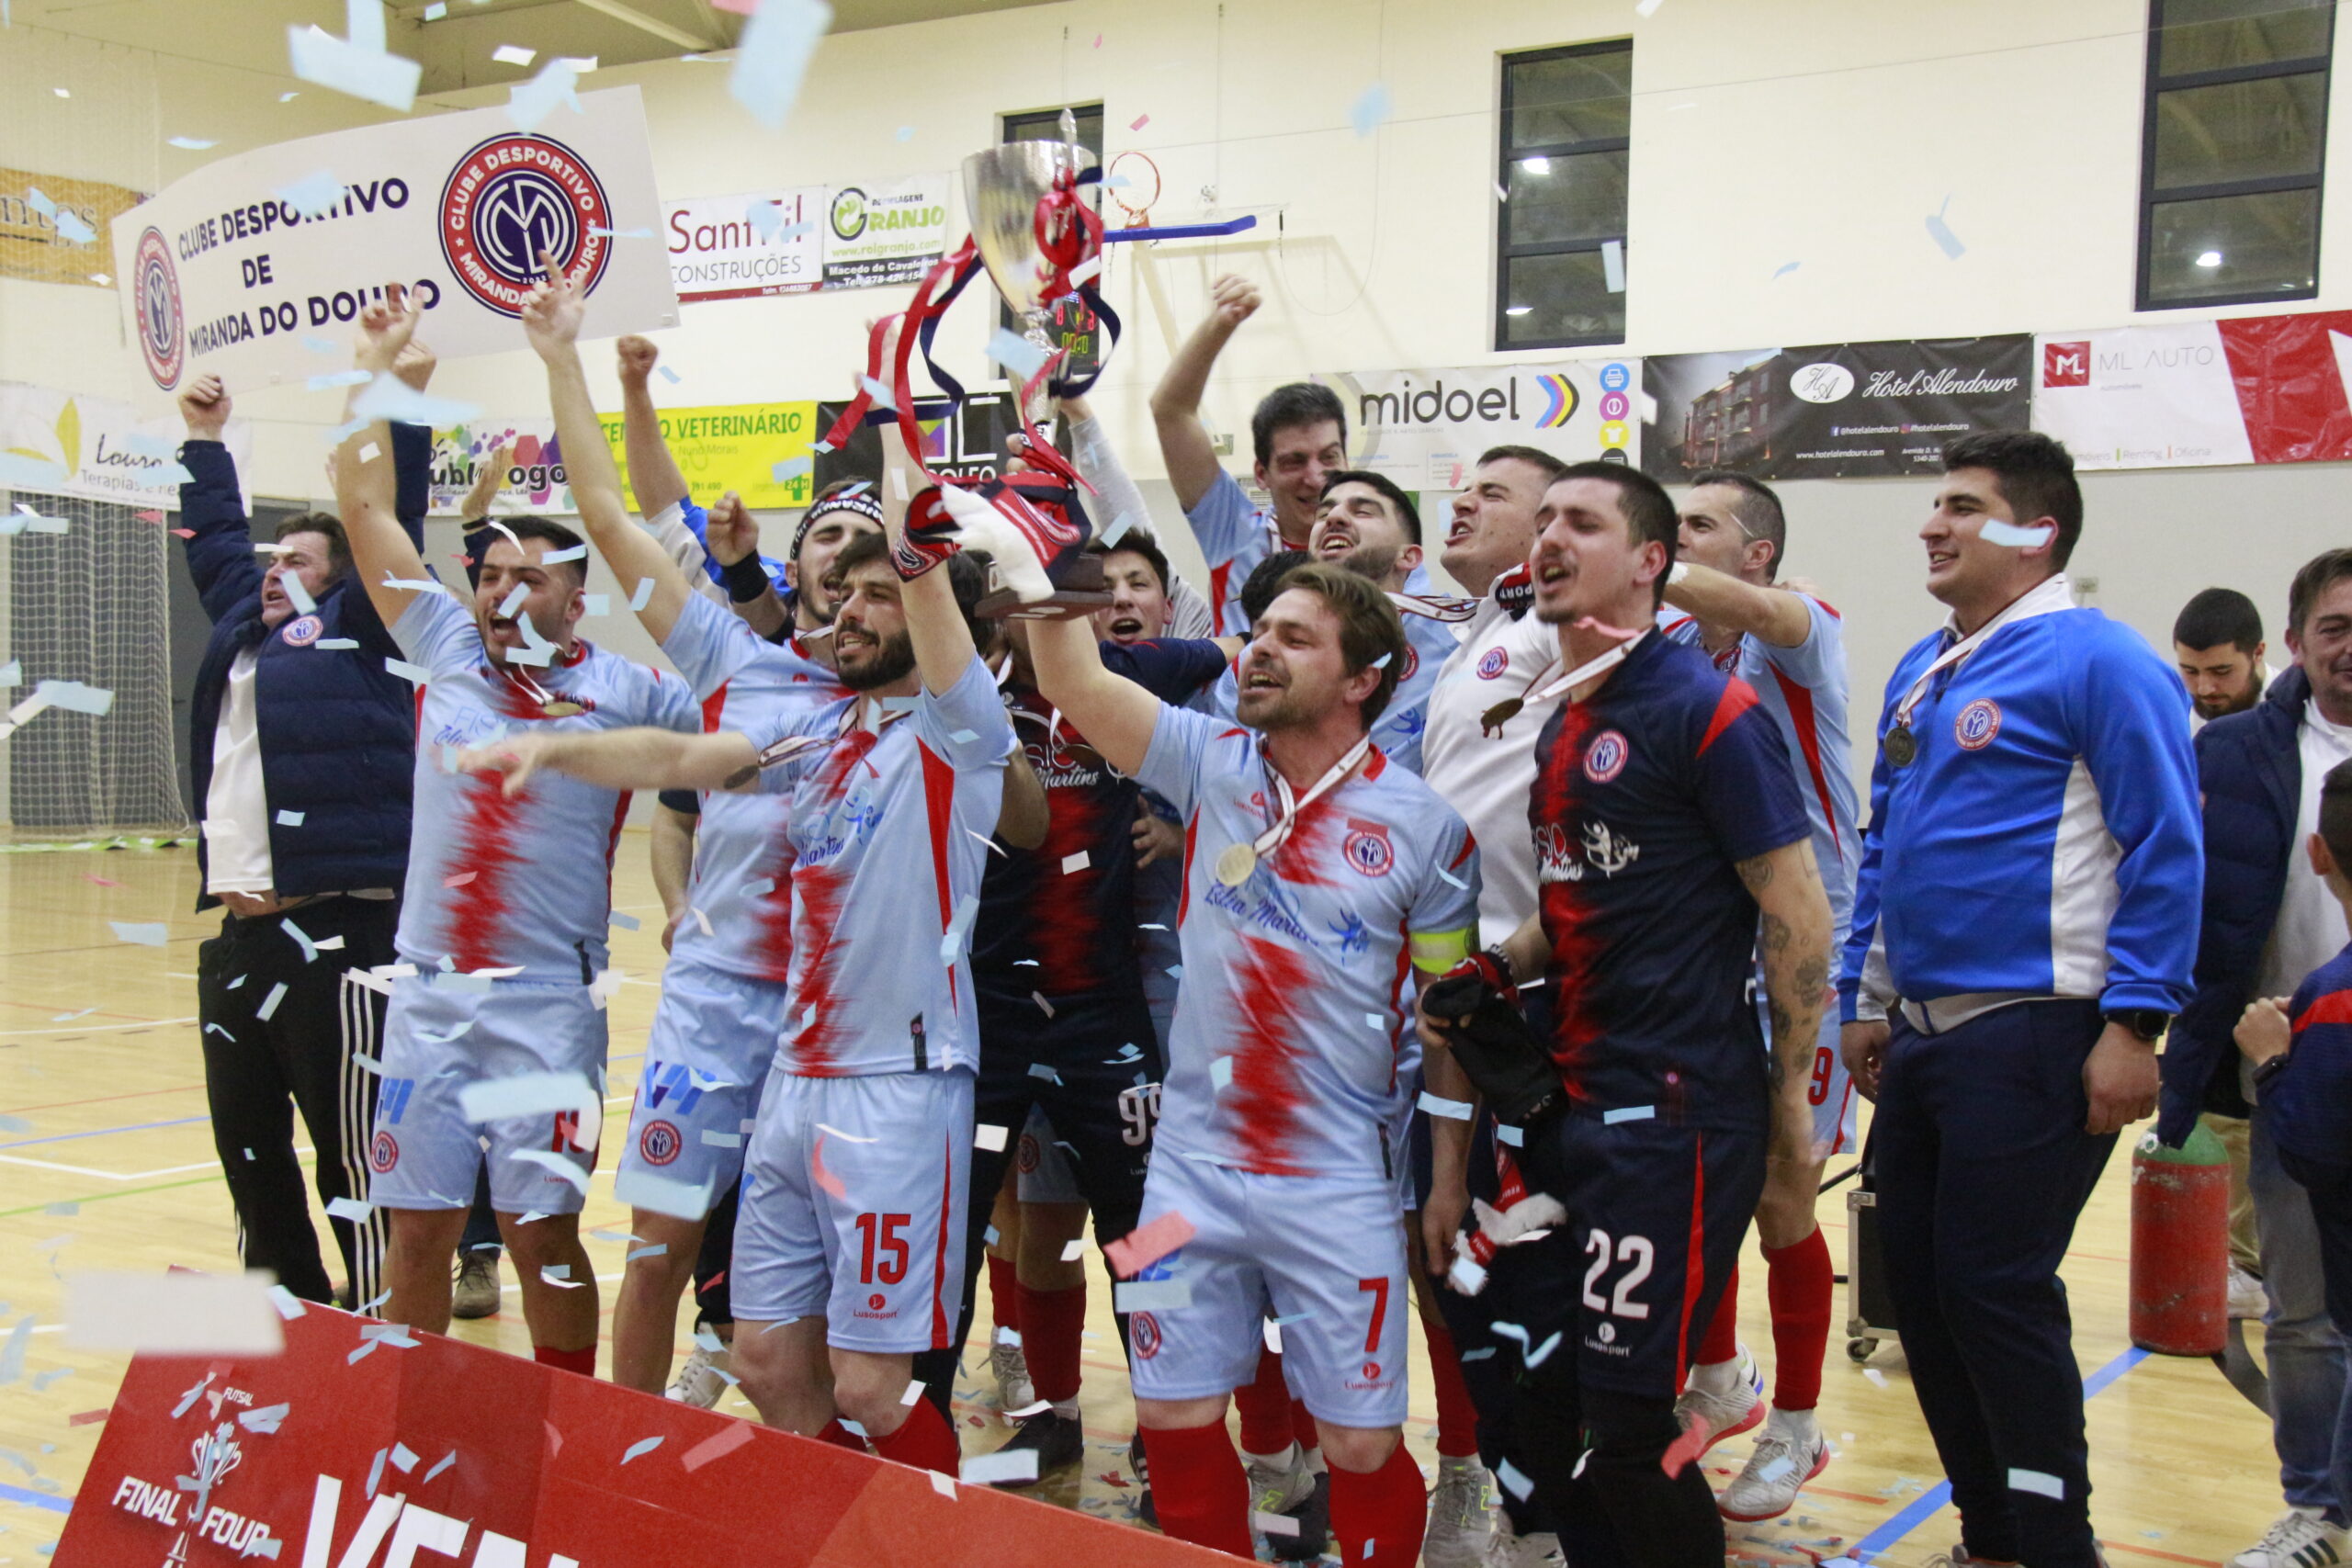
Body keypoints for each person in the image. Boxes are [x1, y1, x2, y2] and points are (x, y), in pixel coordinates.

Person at [456, 432, 1020, 1476]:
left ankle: (922, 1539)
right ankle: (837, 1532)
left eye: (876, 596)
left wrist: (897, 432)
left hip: (897, 1085)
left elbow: (927, 578)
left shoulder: (958, 733)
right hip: (792, 1079)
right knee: (763, 1357)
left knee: (869, 1385)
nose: (848, 610)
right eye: (840, 596)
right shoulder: (812, 732)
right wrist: (557, 750)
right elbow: (685, 759)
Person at [1419, 462, 1834, 1568]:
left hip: (1677, 1113)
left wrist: (1788, 1101)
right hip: (1571, 1106)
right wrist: (1490, 972)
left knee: (1629, 1431)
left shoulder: (1706, 705)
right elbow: (1576, 904)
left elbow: (1795, 915)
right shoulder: (1560, 723)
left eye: (1583, 523)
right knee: (1539, 1404)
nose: (1549, 537)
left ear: (1652, 563)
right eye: (1544, 519)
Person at [1028, 559, 1481, 1567]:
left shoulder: (1429, 830)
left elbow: (1449, 1023)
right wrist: (1050, 566)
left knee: (1361, 1441)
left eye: (1295, 638)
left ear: (1364, 677)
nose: (1261, 649)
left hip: (1337, 1180)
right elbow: (1069, 680)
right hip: (1184, 1177)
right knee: (1173, 1417)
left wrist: (1445, 1175)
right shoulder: (1209, 758)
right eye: (1259, 630)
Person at [1841, 432, 2202, 1568]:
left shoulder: (2102, 660)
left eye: (1961, 506)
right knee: (1925, 1301)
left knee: (1995, 1291)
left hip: (2041, 1031)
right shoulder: (1923, 666)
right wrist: (1866, 994)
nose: (1931, 525)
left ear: (2033, 533)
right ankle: (1991, 1535)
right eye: (1933, 503)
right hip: (1923, 1040)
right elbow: (1886, 840)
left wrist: (2135, 1024)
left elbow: (2167, 844)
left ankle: (2055, 1546)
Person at [331, 282, 701, 1374]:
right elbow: (363, 511)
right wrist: (379, 375)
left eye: (523, 579)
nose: (495, 595)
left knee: (542, 1238)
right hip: (427, 992)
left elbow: (742, 739)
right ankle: (412, 1442)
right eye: (485, 575)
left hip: (548, 1000)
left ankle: (570, 1435)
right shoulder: (443, 645)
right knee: (418, 1236)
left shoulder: (633, 690)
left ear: (575, 596)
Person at [520, 302, 852, 1400]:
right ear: (791, 574)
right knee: (659, 1250)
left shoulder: (918, 696)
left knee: (812, 1285)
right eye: (828, 552)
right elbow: (617, 515)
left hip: (839, 1026)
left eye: (870, 560)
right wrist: (566, 359)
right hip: (714, 1006)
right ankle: (618, 1455)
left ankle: (808, 1470)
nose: (848, 578)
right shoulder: (728, 654)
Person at [932, 607, 1234, 1478]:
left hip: (1104, 1015)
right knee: (970, 1236)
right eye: (1037, 592)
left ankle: (1165, 1429)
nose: (1061, 611)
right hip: (985, 1019)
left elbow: (1250, 660)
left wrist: (1190, 826)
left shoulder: (1132, 667)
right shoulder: (958, 681)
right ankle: (1027, 1419)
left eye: (1079, 591)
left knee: (1145, 1236)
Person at [176, 359, 433, 1314]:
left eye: (301, 563)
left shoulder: (361, 637)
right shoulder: (242, 636)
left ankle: (378, 1328)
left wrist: (393, 398)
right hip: (240, 940)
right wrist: (205, 437)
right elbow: (211, 547)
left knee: (352, 1156)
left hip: (336, 939)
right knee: (250, 1155)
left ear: (343, 582)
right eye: (270, 560)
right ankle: (287, 1321)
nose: (276, 572)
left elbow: (388, 524)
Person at [1656, 470, 1858, 1520]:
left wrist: (1645, 558)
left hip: (1806, 950)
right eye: (1666, 524)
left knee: (1786, 1196)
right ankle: (1721, 1381)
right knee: (1708, 1181)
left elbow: (1768, 613)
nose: (1674, 540)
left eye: (1696, 527)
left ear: (1756, 552)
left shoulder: (1797, 625)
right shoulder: (1676, 657)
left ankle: (1800, 1427)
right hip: (1707, 950)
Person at [2164, 549, 2352, 1568]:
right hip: (2295, 1076)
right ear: (2294, 642)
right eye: (2333, 627)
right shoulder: (2233, 753)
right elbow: (2192, 907)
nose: (2349, 646)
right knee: (2303, 1316)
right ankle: (2316, 1512)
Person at [1417, 443, 1571, 1568]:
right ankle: (1487, 1488)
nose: (1462, 503)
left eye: (1494, 495)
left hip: (1552, 1009)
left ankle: (1555, 1522)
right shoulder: (1463, 641)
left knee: (1550, 1291)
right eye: (1458, 490)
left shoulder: (1586, 639)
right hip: (1453, 1011)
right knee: (1455, 1263)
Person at [1149, 275, 1431, 635]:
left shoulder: (1388, 552)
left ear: (1346, 461)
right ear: (1262, 474)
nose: (1315, 477)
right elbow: (1170, 412)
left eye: (1328, 457)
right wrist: (1220, 325)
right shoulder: (1234, 531)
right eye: (1294, 462)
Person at [2233, 759, 2352, 1568]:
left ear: (2317, 854)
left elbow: (2314, 1148)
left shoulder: (2332, 996)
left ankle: (2323, 1510)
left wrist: (2277, 1062)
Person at [2173, 586, 2278, 1322]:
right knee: (2224, 1114)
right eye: (2192, 673)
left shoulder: (2292, 739)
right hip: (2215, 966)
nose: (2208, 688)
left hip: (2288, 959)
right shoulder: (2190, 741)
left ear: (2260, 657)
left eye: (2222, 672)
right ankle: (2243, 1261)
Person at [2177, 588, 2278, 726]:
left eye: (2221, 672)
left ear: (2258, 653)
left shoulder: (2298, 714)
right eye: (2190, 671)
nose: (2204, 689)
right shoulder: (2175, 715)